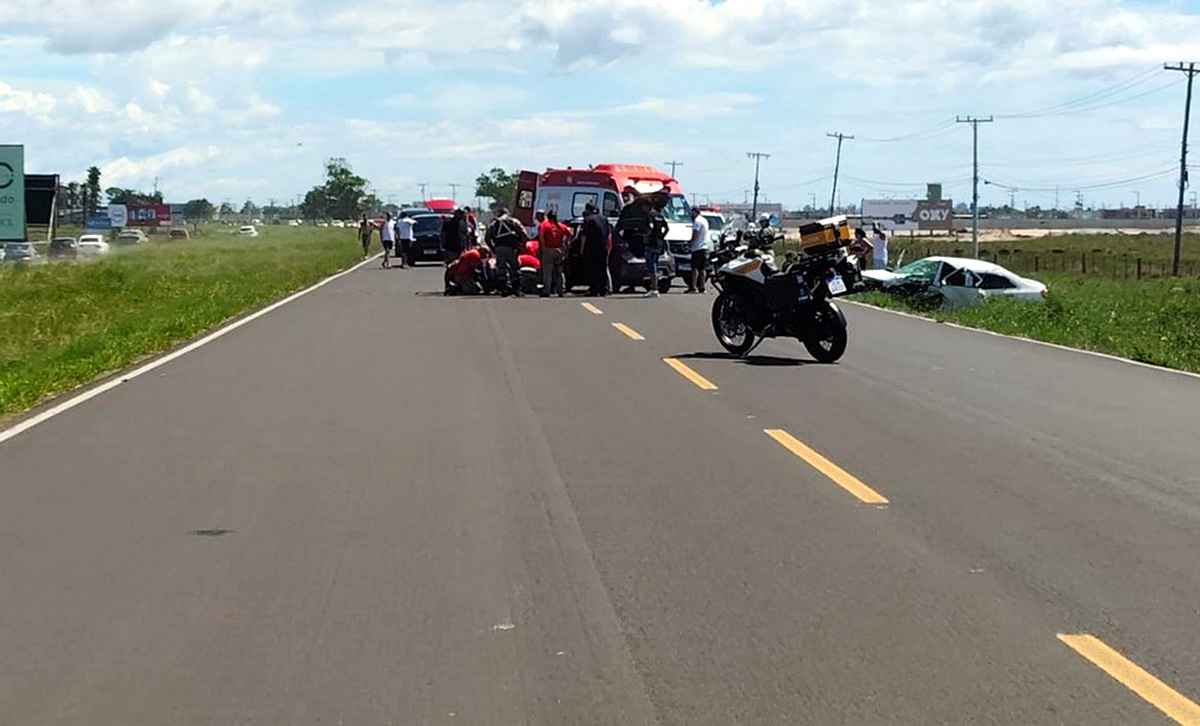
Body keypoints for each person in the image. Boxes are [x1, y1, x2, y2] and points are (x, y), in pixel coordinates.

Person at [486, 207, 528, 296]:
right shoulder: (513, 221)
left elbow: (487, 238)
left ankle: (503, 290)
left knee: (501, 269)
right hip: (511, 248)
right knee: (515, 268)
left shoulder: (494, 224)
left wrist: (493, 248)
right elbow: (524, 234)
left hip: (499, 248)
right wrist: (521, 246)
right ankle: (517, 290)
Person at [579, 202, 611, 296]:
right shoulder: (604, 219)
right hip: (603, 247)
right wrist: (608, 246)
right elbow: (609, 234)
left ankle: (594, 290)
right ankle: (603, 289)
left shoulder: (588, 220)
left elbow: (584, 236)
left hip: (592, 248)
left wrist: (581, 249)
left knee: (593, 269)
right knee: (602, 268)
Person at [642, 192, 670, 297]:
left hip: (651, 244)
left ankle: (654, 289)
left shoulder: (650, 215)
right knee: (655, 265)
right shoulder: (659, 216)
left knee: (651, 267)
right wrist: (661, 237)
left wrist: (646, 236)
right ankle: (654, 288)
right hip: (659, 244)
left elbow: (650, 228)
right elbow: (667, 228)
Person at [538, 209, 571, 297]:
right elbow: (569, 234)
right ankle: (561, 290)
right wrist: (565, 244)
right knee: (559, 272)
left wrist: (543, 247)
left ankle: (547, 291)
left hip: (548, 250)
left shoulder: (544, 225)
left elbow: (541, 236)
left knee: (547, 272)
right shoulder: (560, 225)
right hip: (559, 250)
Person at [687, 206, 711, 293]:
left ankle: (693, 287)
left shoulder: (697, 221)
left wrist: (690, 242)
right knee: (702, 269)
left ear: (695, 212)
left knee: (695, 268)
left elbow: (695, 234)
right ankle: (702, 288)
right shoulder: (704, 220)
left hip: (697, 248)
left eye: (692, 212)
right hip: (705, 247)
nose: (691, 214)